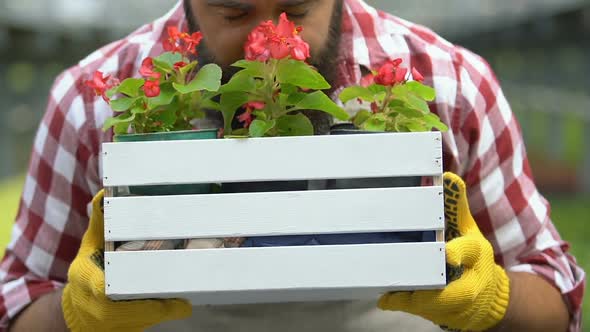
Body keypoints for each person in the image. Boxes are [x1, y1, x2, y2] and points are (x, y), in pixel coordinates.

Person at [0, 0, 585, 331]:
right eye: (233, 11)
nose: (266, 37)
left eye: (295, 10)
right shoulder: (87, 100)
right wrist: (72, 313)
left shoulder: (448, 83)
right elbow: (18, 301)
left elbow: (558, 295)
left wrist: (494, 296)